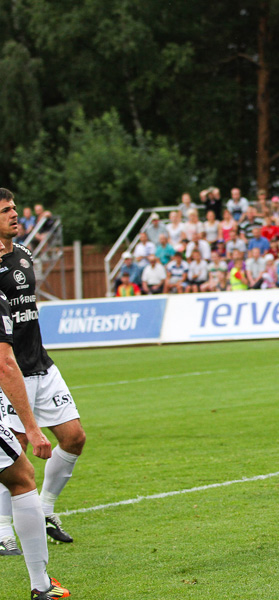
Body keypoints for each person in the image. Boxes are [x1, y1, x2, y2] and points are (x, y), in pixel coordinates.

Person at [0, 188, 86, 548]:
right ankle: (4, 531)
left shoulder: (23, 254)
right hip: (10, 369)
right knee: (14, 453)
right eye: (6, 210)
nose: (15, 214)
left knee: (74, 437)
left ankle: (46, 508)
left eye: (15, 208)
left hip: (41, 363)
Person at [0, 242, 70, 597]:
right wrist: (30, 425)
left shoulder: (23, 254)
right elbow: (4, 362)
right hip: (16, 376)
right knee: (21, 471)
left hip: (41, 365)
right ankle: (41, 586)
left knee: (21, 471)